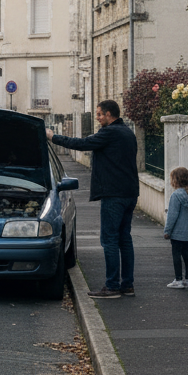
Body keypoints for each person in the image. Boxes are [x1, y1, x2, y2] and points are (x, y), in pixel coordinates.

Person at [47, 100, 139, 299]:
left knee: (109, 240)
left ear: (108, 114)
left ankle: (112, 286)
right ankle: (127, 285)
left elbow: (82, 144)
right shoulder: (127, 133)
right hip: (130, 193)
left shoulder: (110, 133)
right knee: (125, 239)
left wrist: (53, 137)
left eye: (99, 114)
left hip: (113, 194)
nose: (97, 118)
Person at [163, 167, 188, 289]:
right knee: (186, 253)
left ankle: (178, 279)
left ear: (175, 180)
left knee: (176, 255)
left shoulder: (175, 195)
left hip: (177, 231)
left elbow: (172, 216)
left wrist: (167, 231)